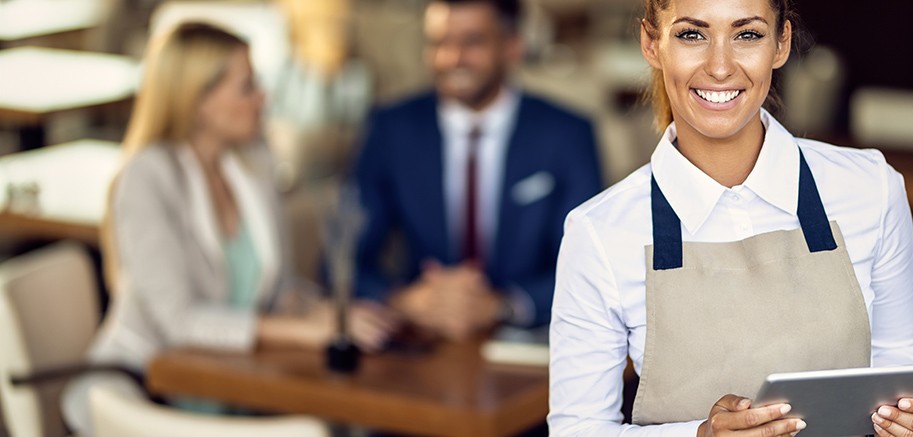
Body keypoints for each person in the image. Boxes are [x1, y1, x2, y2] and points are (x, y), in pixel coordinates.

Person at [548, 0, 913, 436]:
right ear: (652, 44)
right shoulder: (598, 232)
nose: (720, 67)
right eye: (691, 34)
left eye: (747, 34)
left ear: (781, 44)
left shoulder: (872, 188)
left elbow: (899, 365)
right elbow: (577, 429)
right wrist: (700, 435)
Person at [61, 22, 398, 435]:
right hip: (145, 393)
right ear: (199, 100)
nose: (263, 98)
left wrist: (329, 314)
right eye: (247, 87)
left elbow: (276, 290)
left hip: (231, 387)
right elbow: (178, 322)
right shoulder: (148, 178)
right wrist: (304, 333)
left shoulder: (252, 165)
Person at [351, 0, 602, 340]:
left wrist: (505, 305)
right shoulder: (392, 130)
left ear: (513, 46)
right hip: (421, 342)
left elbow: (590, 266)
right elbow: (342, 260)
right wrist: (404, 300)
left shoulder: (566, 134)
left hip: (531, 344)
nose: (452, 59)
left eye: (472, 41)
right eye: (439, 43)